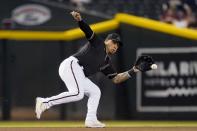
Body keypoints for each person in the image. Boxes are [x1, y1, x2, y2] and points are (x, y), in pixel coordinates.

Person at [35, 11, 155, 128]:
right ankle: (44, 102)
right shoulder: (98, 43)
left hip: (78, 72)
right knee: (77, 94)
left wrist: (134, 70)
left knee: (95, 91)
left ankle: (91, 120)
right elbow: (87, 31)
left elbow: (117, 79)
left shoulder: (106, 62)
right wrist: (80, 20)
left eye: (118, 45)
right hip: (71, 65)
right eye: (114, 43)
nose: (115, 46)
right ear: (107, 41)